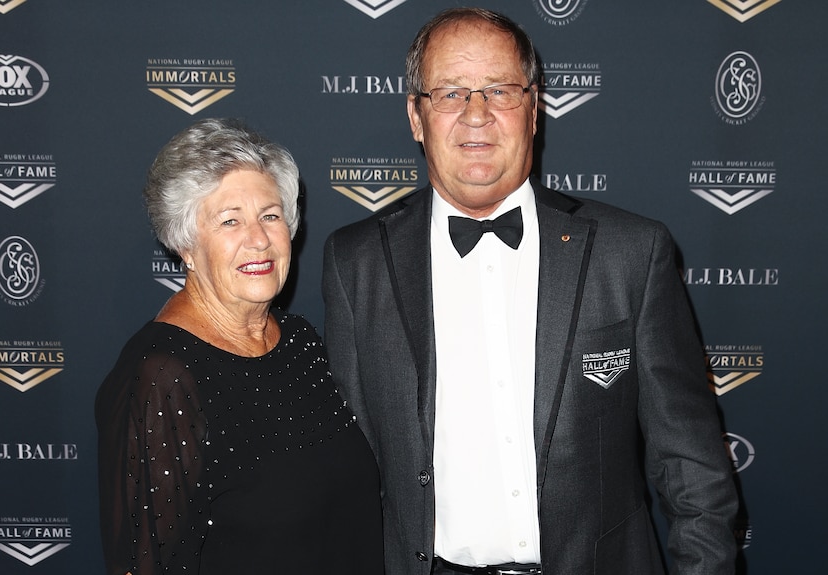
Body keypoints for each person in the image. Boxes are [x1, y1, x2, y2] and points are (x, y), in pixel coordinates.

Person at [322, 8, 737, 575]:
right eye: (449, 93)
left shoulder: (631, 253)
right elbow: (349, 477)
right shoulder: (355, 262)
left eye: (500, 90)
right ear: (416, 117)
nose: (477, 114)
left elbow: (694, 471)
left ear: (534, 109)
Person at [95, 118, 384, 575]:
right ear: (185, 243)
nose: (258, 239)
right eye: (230, 221)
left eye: (270, 215)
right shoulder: (162, 377)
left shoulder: (299, 341)